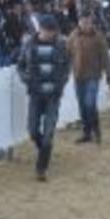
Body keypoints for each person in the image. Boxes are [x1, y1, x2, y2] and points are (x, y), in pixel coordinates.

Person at [17, 14, 70, 180]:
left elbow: (67, 66)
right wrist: (26, 79)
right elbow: (20, 65)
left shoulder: (61, 45)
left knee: (48, 133)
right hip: (35, 94)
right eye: (47, 31)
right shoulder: (28, 44)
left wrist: (62, 82)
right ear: (40, 29)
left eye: (53, 31)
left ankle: (42, 168)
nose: (50, 34)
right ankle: (44, 150)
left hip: (53, 96)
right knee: (32, 130)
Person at [66, 10, 110, 144]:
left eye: (89, 22)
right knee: (82, 106)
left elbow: (106, 58)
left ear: (92, 22)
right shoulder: (73, 36)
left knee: (90, 103)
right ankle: (87, 133)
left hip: (93, 76)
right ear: (79, 22)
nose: (86, 24)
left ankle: (96, 130)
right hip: (78, 77)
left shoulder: (98, 37)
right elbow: (67, 54)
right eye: (83, 22)